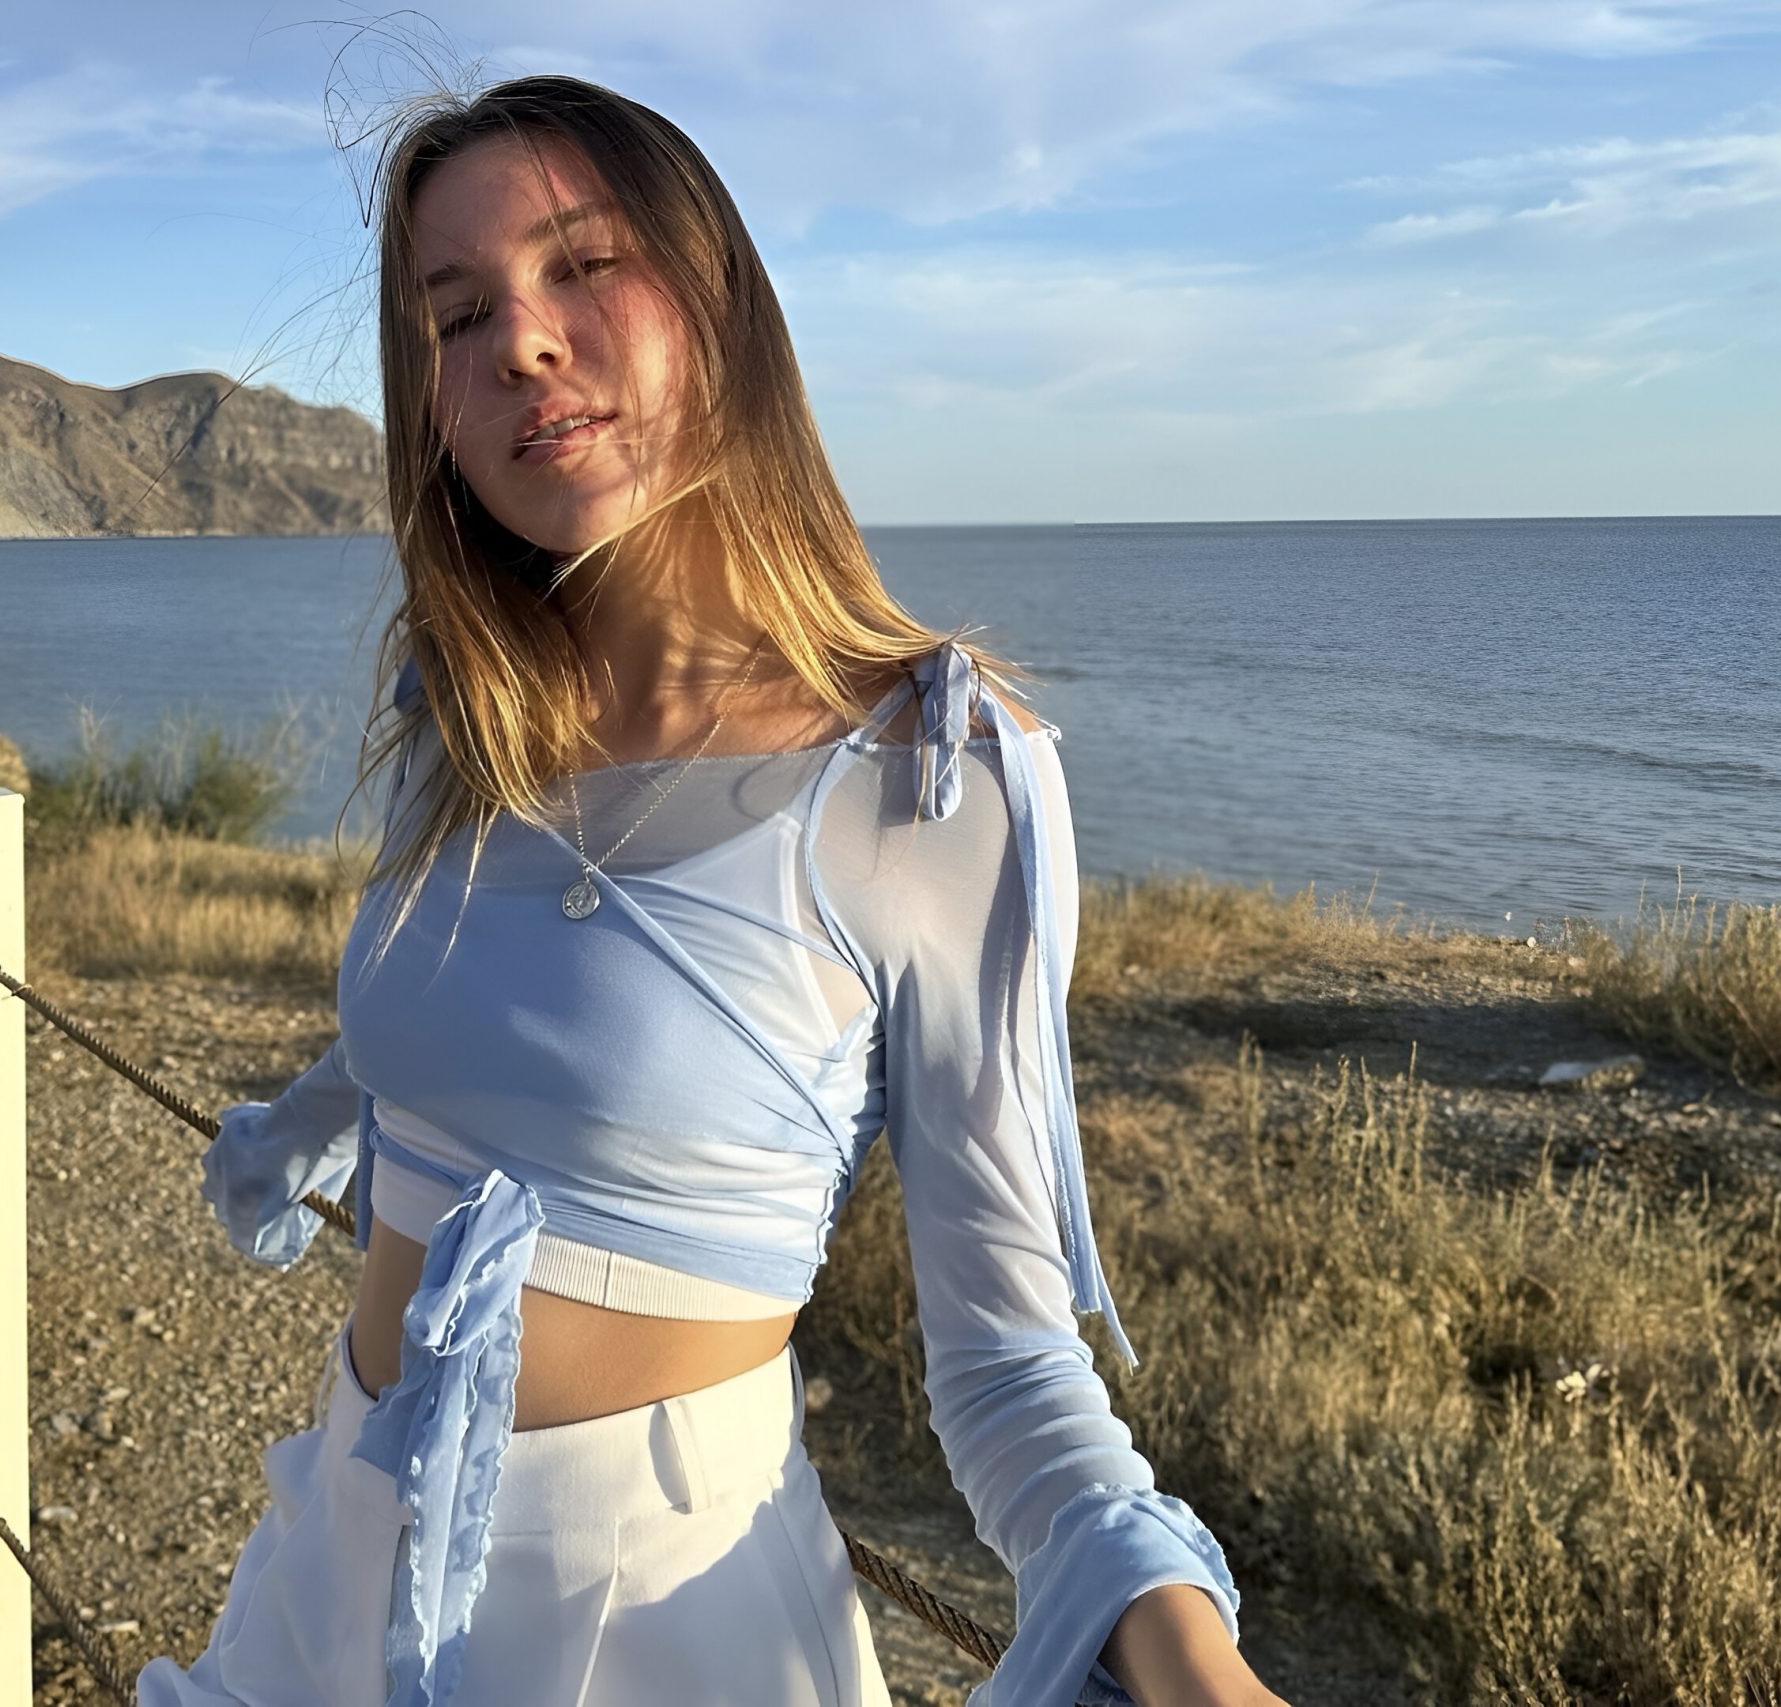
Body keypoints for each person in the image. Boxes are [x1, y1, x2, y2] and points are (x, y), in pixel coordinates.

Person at [138, 73, 1287, 1707]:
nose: (521, 343)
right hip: (334, 1547)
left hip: (659, 1625)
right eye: (458, 316)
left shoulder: (933, 779)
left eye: (582, 266)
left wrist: (1193, 1661)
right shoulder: (466, 712)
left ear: (721, 304)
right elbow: (476, 1020)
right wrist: (303, 1124)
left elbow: (1010, 1366)